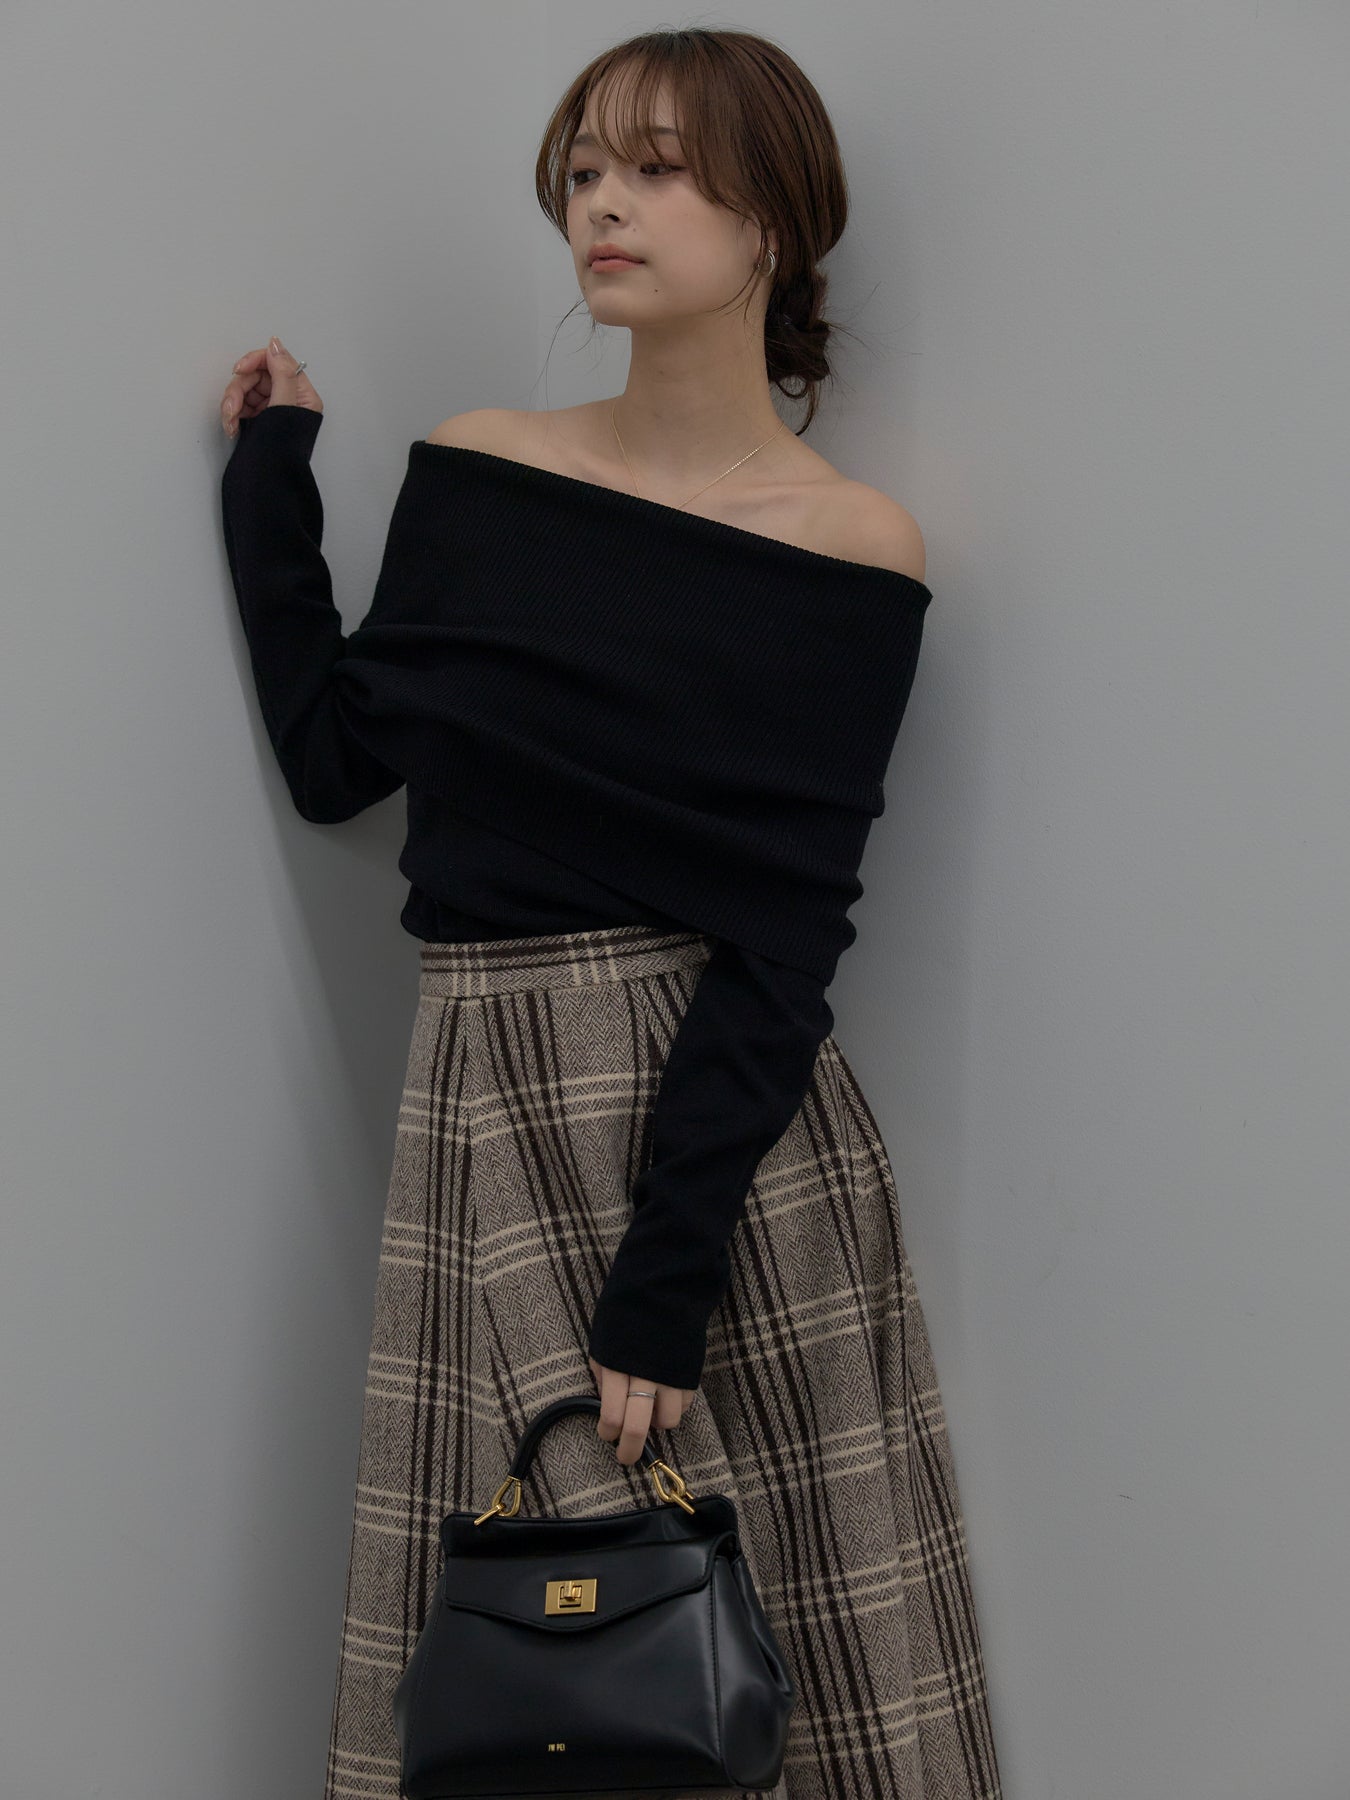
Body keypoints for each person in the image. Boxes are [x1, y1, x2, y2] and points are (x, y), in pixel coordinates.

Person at [218, 26, 1002, 1800]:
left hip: (713, 1137)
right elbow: (339, 766)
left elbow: (784, 945)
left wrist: (664, 1283)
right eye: (583, 170)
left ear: (772, 218)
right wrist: (274, 482)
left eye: (654, 168)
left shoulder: (849, 544)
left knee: (778, 1657)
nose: (603, 204)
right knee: (532, 1670)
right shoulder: (483, 466)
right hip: (482, 1098)